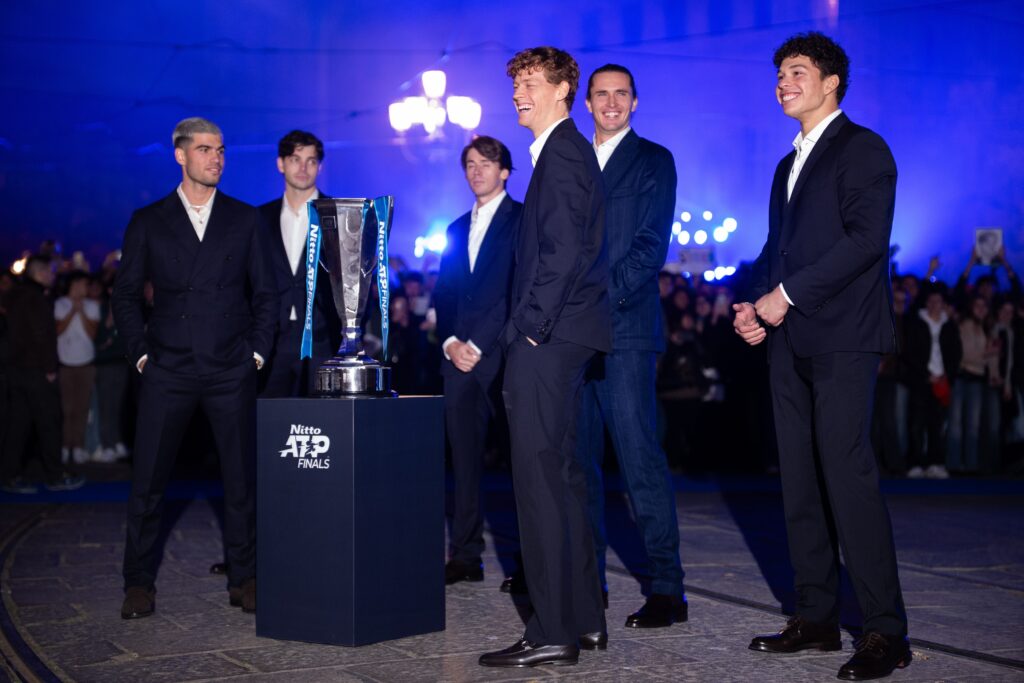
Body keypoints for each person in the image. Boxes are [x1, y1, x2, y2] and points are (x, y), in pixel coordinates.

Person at [734, 33, 911, 680]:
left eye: (797, 71)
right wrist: (754, 302)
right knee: (800, 479)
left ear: (832, 81)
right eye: (780, 72)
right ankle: (815, 615)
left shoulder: (863, 150)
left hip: (843, 336)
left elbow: (868, 241)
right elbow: (777, 248)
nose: (783, 81)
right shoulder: (787, 165)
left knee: (846, 475)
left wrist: (786, 294)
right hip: (791, 338)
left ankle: (886, 630)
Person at [112, 117, 277, 620]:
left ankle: (244, 578)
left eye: (221, 150)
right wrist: (142, 354)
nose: (216, 159)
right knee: (148, 481)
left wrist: (255, 354)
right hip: (168, 368)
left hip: (230, 368)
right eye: (205, 149)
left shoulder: (245, 219)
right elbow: (124, 295)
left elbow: (266, 294)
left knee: (242, 481)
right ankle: (138, 582)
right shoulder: (149, 220)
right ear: (180, 155)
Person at [479, 46, 609, 669]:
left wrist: (529, 329)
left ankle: (551, 630)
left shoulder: (559, 154)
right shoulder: (564, 153)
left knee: (538, 483)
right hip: (568, 337)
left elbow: (560, 253)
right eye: (515, 85)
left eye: (531, 82)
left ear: (563, 90)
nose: (518, 94)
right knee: (562, 479)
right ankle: (582, 620)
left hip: (550, 339)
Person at [573, 64, 687, 627]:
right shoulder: (566, 159)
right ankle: (586, 583)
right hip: (570, 337)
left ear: (635, 103)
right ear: (586, 103)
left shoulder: (653, 160)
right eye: (602, 95)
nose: (612, 103)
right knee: (578, 464)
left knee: (638, 458)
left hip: (625, 329)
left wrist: (594, 302)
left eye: (622, 94)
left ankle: (667, 587)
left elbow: (649, 247)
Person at [433, 135, 522, 585]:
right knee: (463, 461)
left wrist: (480, 345)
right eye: (469, 163)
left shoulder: (523, 220)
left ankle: (528, 562)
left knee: (519, 462)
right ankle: (466, 554)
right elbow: (445, 292)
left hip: (504, 356)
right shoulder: (452, 229)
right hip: (457, 359)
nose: (476, 171)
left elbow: (516, 293)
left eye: (486, 163)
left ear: (504, 170)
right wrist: (450, 341)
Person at [257, 130, 340, 398]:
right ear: (280, 163)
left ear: (320, 166)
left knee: (325, 426)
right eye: (295, 159)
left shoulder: (338, 214)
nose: (303, 168)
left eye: (311, 161)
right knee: (268, 425)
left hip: (323, 336)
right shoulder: (258, 218)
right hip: (272, 337)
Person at [1, 255, 85, 494]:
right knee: (49, 422)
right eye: (50, 271)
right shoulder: (35, 298)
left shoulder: (13, 296)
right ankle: (55, 475)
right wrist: (49, 367)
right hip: (36, 370)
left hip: (16, 370)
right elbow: (42, 335)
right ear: (39, 272)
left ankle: (9, 475)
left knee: (18, 424)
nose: (53, 275)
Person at [55, 272, 100, 465]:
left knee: (82, 408)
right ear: (74, 284)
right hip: (65, 364)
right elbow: (58, 330)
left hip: (86, 364)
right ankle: (66, 447)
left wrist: (81, 311)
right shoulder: (60, 304)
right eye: (83, 284)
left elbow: (92, 334)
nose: (86, 288)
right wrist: (73, 310)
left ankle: (79, 447)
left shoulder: (92, 305)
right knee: (66, 409)